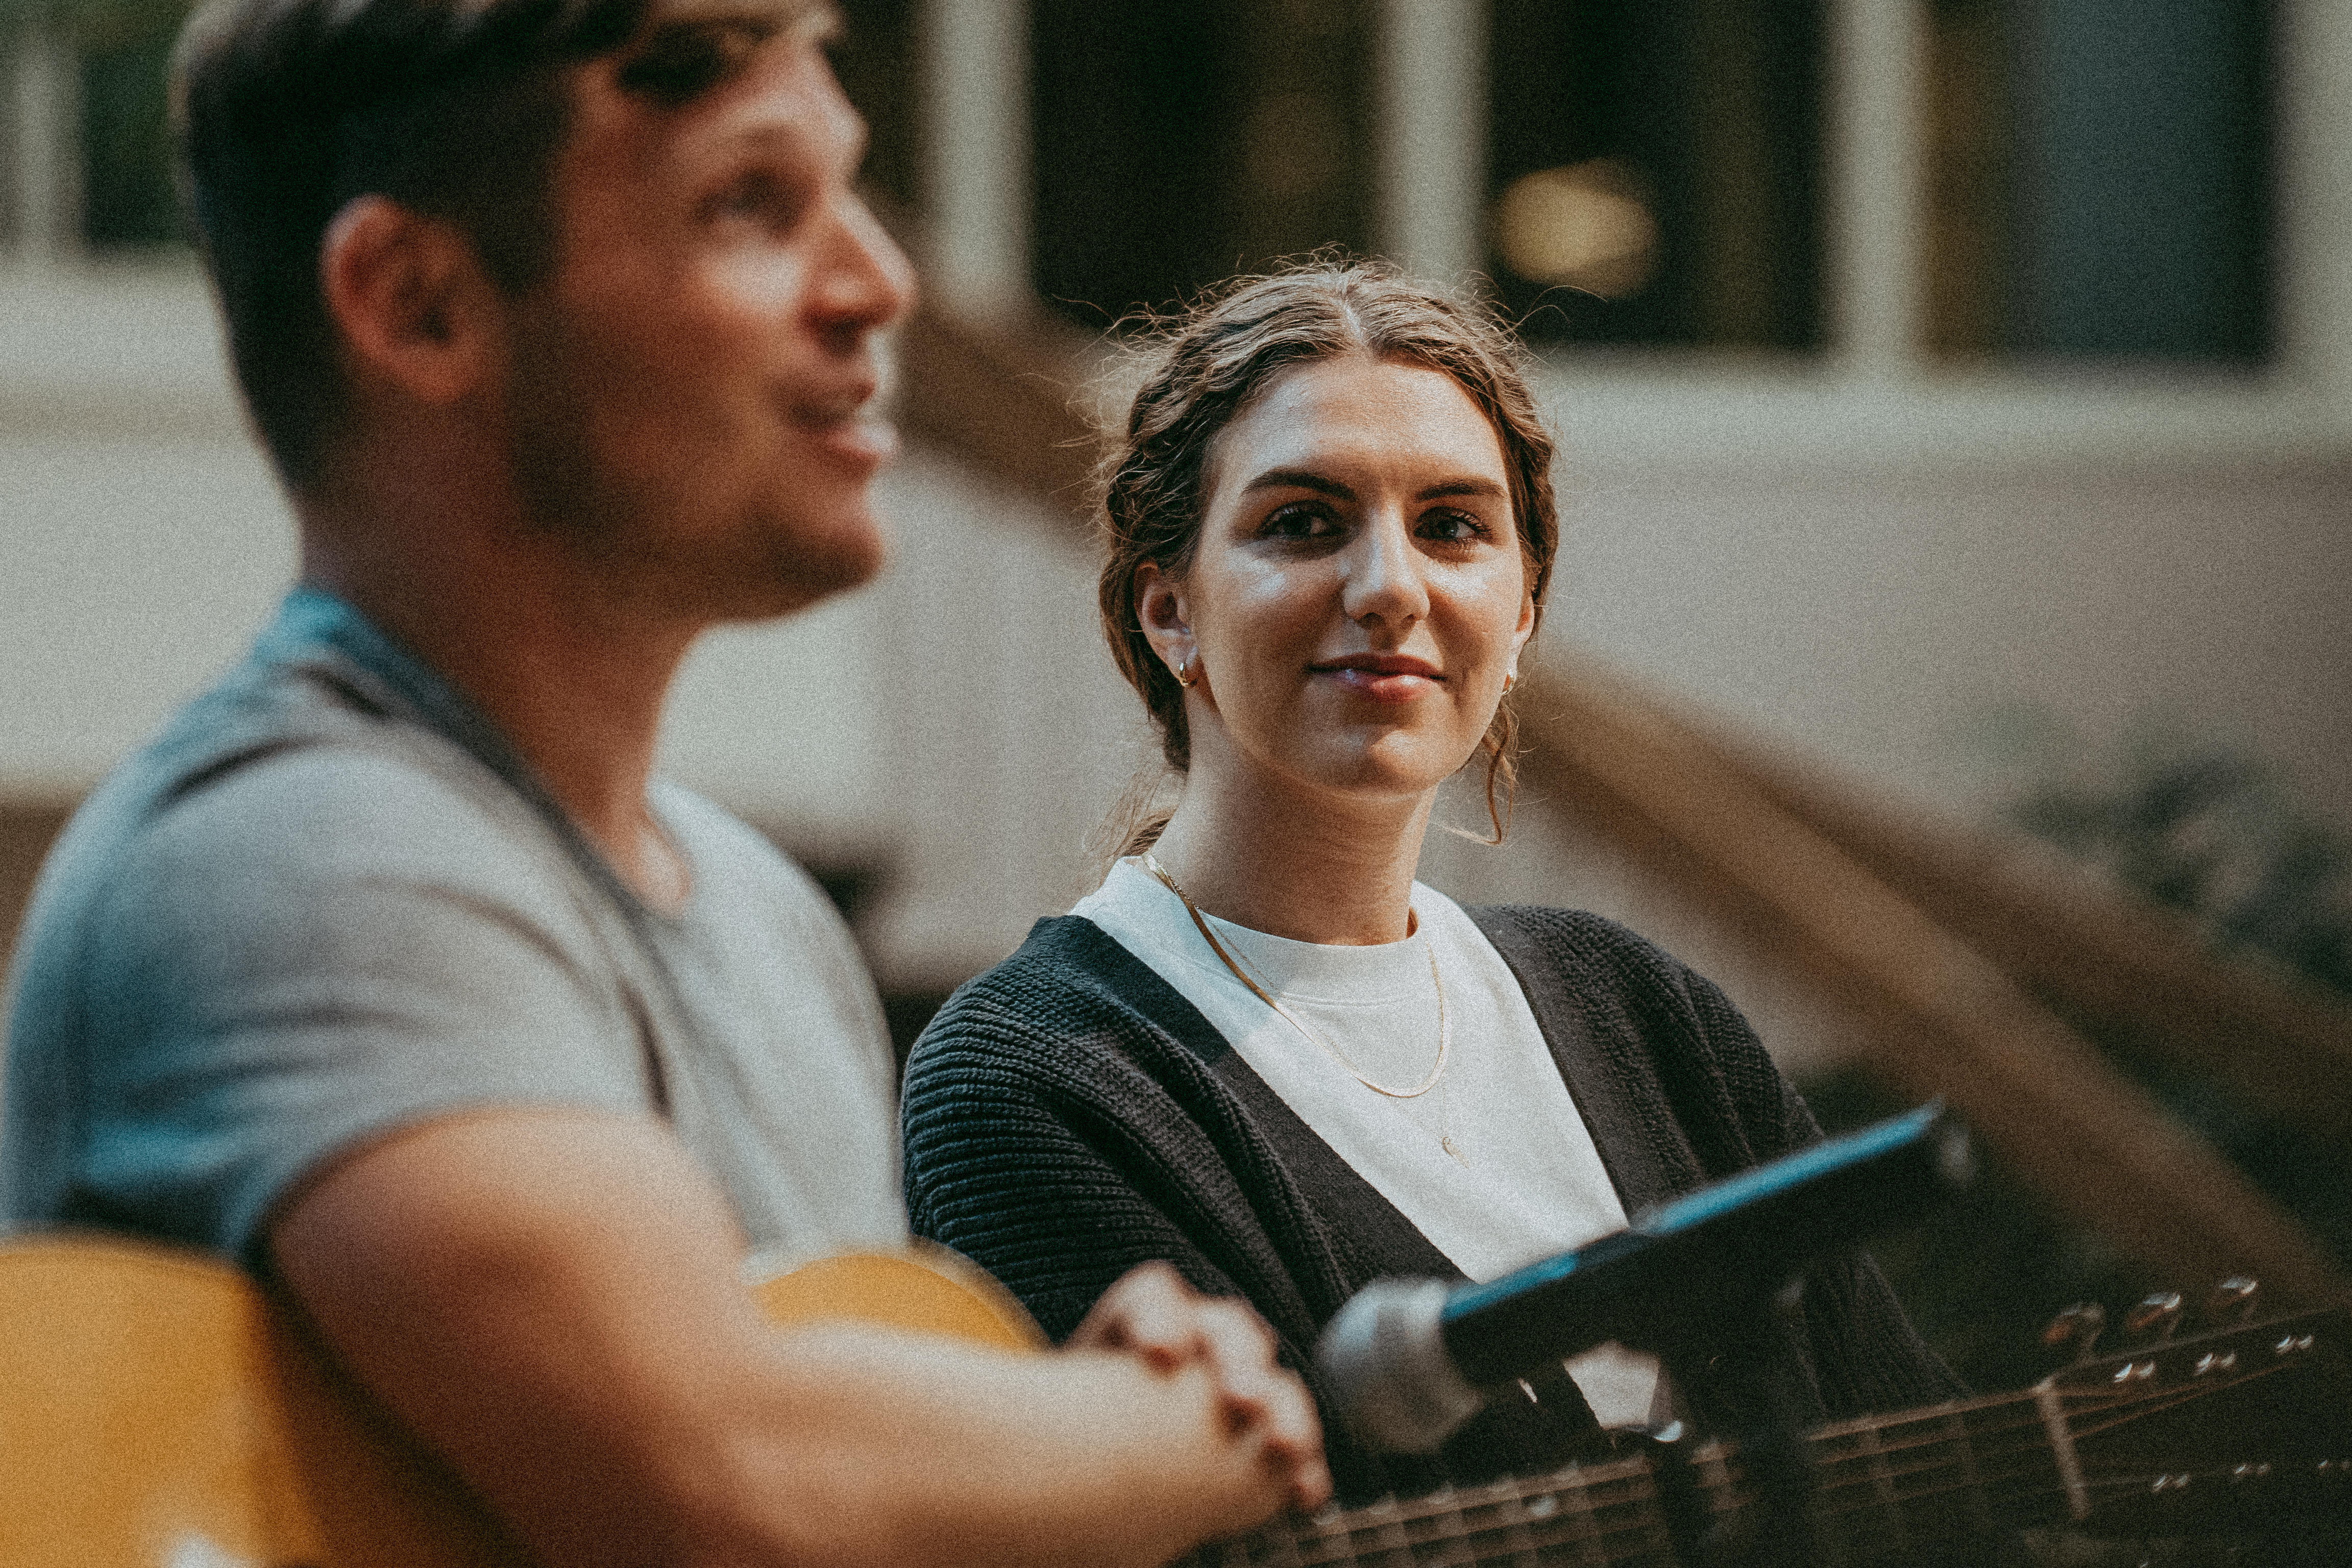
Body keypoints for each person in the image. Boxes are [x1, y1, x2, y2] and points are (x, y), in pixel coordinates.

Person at [0, 2, 1329, 1563]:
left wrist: (1041, 1434)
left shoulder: (764, 916)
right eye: (752, 204)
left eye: (851, 190)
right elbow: (729, 1485)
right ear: (418, 303)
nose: (877, 283)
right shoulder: (288, 853)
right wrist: (1180, 1438)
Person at [900, 262, 1965, 1506]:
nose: (1392, 586)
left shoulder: (1642, 1014)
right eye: (1303, 522)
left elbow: (1941, 1480)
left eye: (1453, 526)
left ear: (1520, 615)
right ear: (1169, 610)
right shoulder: (1034, 1080)